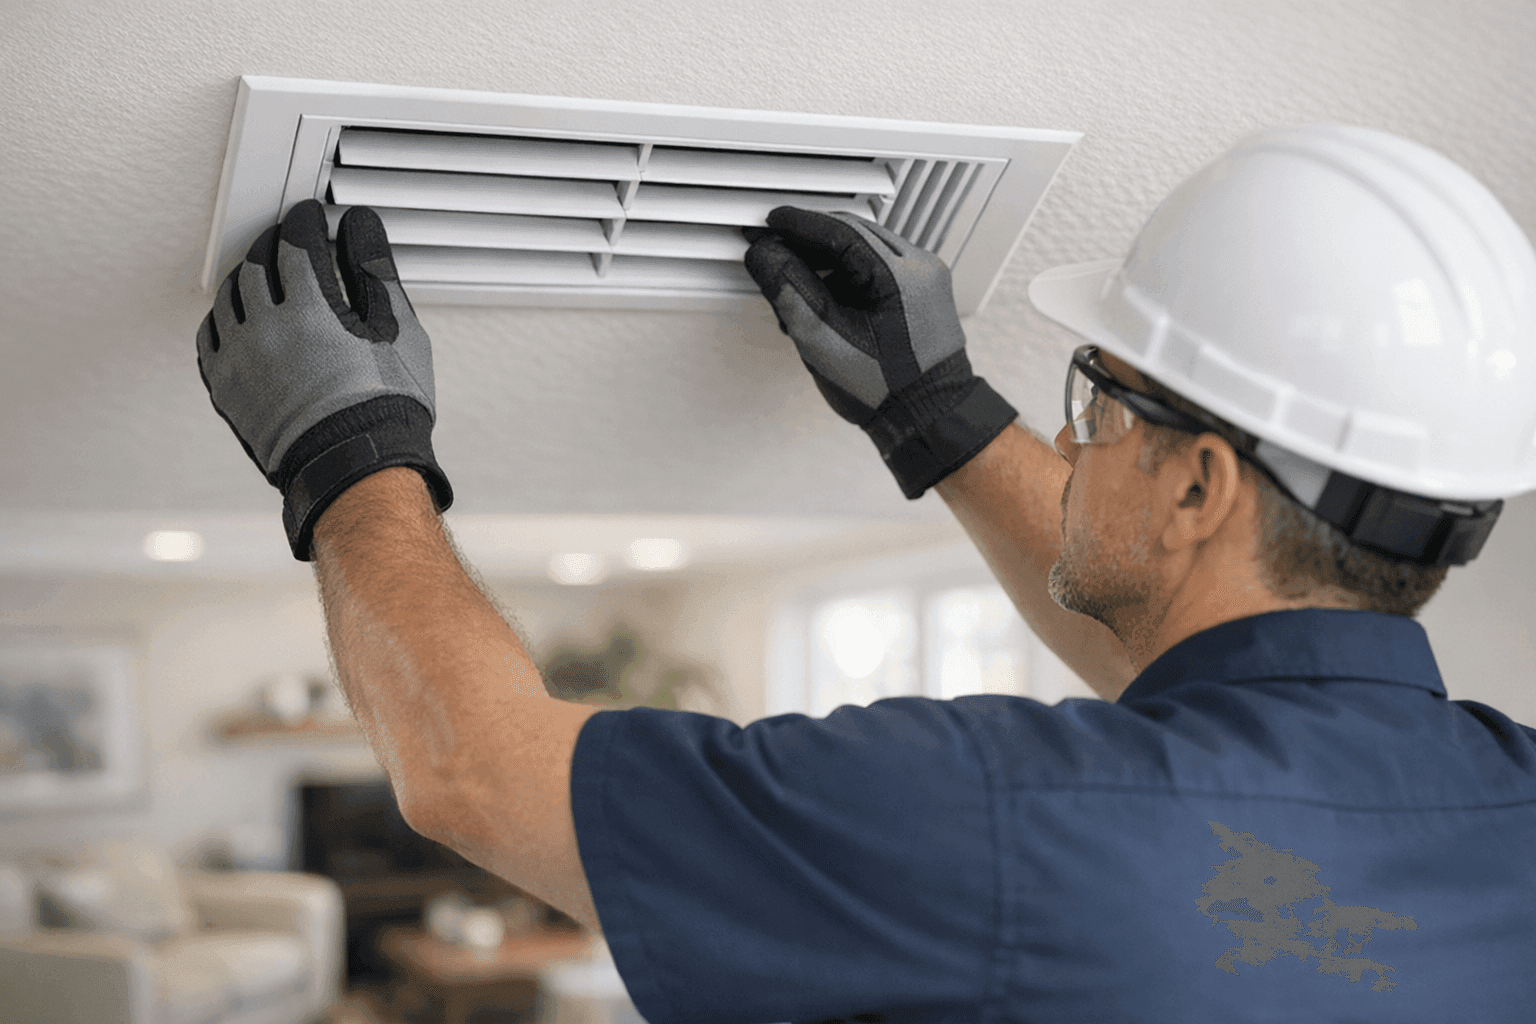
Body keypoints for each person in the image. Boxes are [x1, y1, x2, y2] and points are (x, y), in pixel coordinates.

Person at [196, 124, 1536, 1022]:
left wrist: (346, 451)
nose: (1071, 438)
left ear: (1197, 488)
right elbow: (1229, 714)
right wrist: (936, 411)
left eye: (1102, 399)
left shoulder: (1003, 810)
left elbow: (477, 773)